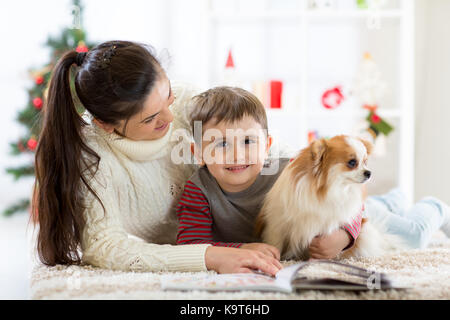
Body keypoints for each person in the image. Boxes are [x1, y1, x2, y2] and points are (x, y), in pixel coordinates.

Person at [32, 40, 282, 276]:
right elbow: (104, 246)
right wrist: (212, 256)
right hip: (200, 244)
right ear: (106, 124)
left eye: (168, 96)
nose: (171, 117)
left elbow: (259, 143)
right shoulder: (94, 156)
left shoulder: (186, 101)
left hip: (258, 230)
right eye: (151, 119)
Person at [176, 87, 363, 259]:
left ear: (267, 146)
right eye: (222, 144)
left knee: (386, 216)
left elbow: (353, 201)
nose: (237, 155)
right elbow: (191, 245)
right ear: (199, 154)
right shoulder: (198, 189)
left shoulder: (289, 173)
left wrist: (344, 236)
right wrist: (241, 249)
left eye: (248, 141)